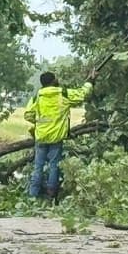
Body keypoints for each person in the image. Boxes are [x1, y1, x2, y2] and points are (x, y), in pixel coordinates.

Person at [23, 69, 94, 200]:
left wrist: (40, 121)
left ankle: (33, 195)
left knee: (38, 167)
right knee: (54, 166)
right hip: (56, 137)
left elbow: (28, 115)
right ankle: (51, 195)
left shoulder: (37, 97)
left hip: (41, 137)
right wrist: (90, 81)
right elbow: (83, 94)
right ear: (53, 81)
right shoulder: (63, 93)